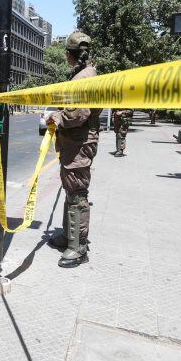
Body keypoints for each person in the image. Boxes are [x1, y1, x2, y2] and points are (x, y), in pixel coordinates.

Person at [46, 32, 101, 268]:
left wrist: (55, 116)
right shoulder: (86, 74)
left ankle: (78, 246)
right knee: (71, 191)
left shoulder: (83, 77)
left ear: (69, 54)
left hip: (79, 144)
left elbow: (77, 114)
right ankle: (70, 236)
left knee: (77, 194)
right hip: (75, 144)